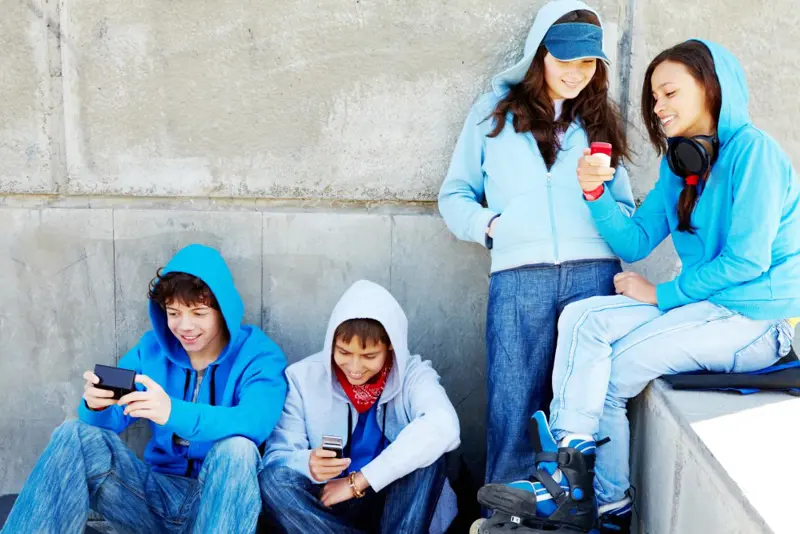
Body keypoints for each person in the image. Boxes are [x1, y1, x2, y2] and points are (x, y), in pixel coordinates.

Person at [477, 39, 799, 534]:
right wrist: (595, 193)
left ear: (712, 89)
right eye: (654, 98)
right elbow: (636, 237)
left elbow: (747, 262)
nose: (658, 107)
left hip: (754, 319)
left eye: (670, 93)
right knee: (580, 316)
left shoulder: (754, 153)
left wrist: (661, 294)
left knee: (610, 371)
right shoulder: (680, 163)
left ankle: (596, 501)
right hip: (708, 307)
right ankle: (574, 486)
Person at [437, 0, 634, 487]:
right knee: (513, 404)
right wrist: (491, 226)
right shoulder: (492, 114)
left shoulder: (599, 124)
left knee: (580, 410)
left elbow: (627, 212)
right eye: (563, 60)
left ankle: (575, 512)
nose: (575, 73)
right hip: (519, 278)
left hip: (593, 274)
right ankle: (505, 514)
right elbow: (453, 194)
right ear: (539, 54)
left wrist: (600, 199)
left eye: (587, 62)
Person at [1, 244, 288, 534]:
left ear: (223, 312)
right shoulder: (151, 350)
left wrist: (172, 412)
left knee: (238, 449)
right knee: (73, 432)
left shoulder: (258, 355)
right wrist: (97, 406)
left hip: (222, 504)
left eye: (199, 313)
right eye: (173, 313)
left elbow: (254, 423)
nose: (184, 326)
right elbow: (112, 419)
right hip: (154, 496)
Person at [259, 280, 460, 534]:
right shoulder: (303, 378)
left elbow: (444, 426)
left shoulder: (413, 375)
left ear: (390, 346)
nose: (354, 367)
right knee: (273, 482)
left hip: (390, 503)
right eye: (343, 352)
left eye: (369, 356)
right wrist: (306, 463)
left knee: (429, 456)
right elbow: (275, 459)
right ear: (331, 343)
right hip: (325, 506)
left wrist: (360, 481)